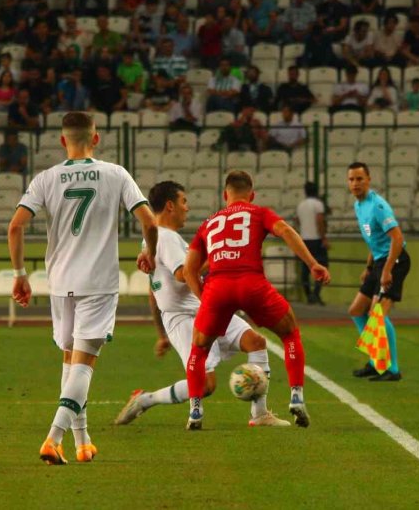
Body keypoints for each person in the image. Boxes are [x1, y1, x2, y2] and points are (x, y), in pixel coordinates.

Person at [8, 112, 159, 464]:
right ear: (97, 138)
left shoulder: (46, 178)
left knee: (70, 362)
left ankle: (82, 442)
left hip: (60, 282)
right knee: (84, 365)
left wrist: (19, 273)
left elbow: (15, 227)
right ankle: (53, 438)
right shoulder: (115, 173)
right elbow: (149, 222)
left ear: (63, 141)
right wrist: (148, 253)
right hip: (98, 282)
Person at [115, 181, 290, 427]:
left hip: (204, 309)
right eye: (183, 201)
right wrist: (220, 257)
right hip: (184, 317)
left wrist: (160, 333)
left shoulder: (157, 239)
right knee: (206, 385)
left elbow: (154, 291)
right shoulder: (165, 238)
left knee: (256, 342)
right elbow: (183, 274)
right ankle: (146, 400)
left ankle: (259, 415)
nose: (187, 207)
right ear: (169, 206)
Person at [182, 170, 331, 429]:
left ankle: (195, 411)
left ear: (224, 195)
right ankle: (296, 395)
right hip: (252, 284)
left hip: (217, 288)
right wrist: (312, 263)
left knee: (199, 349)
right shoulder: (259, 212)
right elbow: (284, 230)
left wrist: (204, 298)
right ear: (251, 195)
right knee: (290, 333)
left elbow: (189, 270)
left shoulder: (208, 223)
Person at [346, 162, 409, 382]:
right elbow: (374, 240)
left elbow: (397, 239)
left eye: (359, 179)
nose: (355, 183)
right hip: (379, 261)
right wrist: (369, 267)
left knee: (377, 315)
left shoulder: (378, 206)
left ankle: (392, 369)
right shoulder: (358, 205)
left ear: (369, 179)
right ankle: (376, 361)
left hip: (396, 260)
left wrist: (387, 270)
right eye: (352, 179)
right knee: (356, 310)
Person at [296, 182, 328, 305]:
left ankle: (309, 295)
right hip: (316, 239)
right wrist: (323, 237)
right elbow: (320, 221)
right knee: (322, 266)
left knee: (305, 269)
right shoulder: (318, 204)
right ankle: (316, 294)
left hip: (304, 239)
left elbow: (298, 220)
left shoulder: (301, 205)